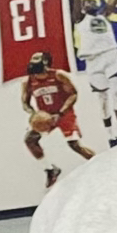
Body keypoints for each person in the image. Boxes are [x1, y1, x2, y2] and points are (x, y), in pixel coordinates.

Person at [21, 49, 95, 188]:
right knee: (30, 140)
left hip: (63, 113)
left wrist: (60, 113)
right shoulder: (28, 82)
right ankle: (50, 169)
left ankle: (99, 162)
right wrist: (34, 113)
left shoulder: (58, 75)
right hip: (45, 115)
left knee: (74, 145)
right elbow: (25, 102)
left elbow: (73, 94)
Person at [73, 0, 117, 146]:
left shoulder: (103, 15)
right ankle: (111, 136)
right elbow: (77, 4)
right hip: (93, 60)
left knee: (116, 92)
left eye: (93, 1)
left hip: (110, 55)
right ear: (83, 7)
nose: (90, 3)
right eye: (87, 2)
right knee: (103, 99)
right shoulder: (80, 19)